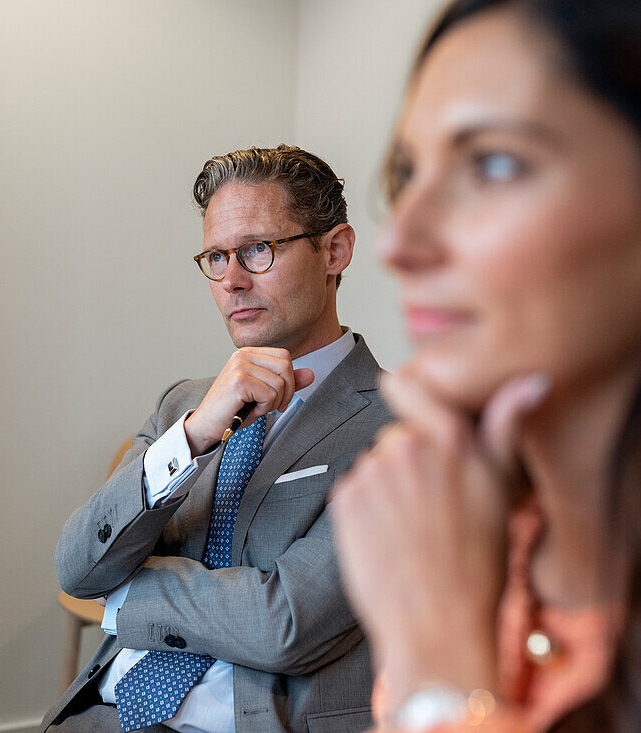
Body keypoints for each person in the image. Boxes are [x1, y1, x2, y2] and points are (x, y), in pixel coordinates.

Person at [329, 0, 641, 731]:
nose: (399, 243)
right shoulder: (463, 535)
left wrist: (440, 688)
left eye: (492, 164)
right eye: (406, 174)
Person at [42, 145, 394, 732]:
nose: (231, 281)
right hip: (101, 712)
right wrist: (193, 436)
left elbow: (284, 624)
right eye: (215, 256)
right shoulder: (185, 405)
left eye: (258, 250)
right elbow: (78, 568)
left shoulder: (398, 425)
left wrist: (124, 592)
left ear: (335, 250)